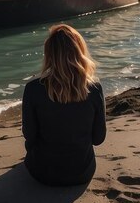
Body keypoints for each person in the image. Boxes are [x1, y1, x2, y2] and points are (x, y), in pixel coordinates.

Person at [21, 24, 107, 186]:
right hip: (82, 173)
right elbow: (98, 139)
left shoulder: (33, 88)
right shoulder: (94, 88)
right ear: (80, 50)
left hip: (42, 173)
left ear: (48, 54)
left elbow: (29, 135)